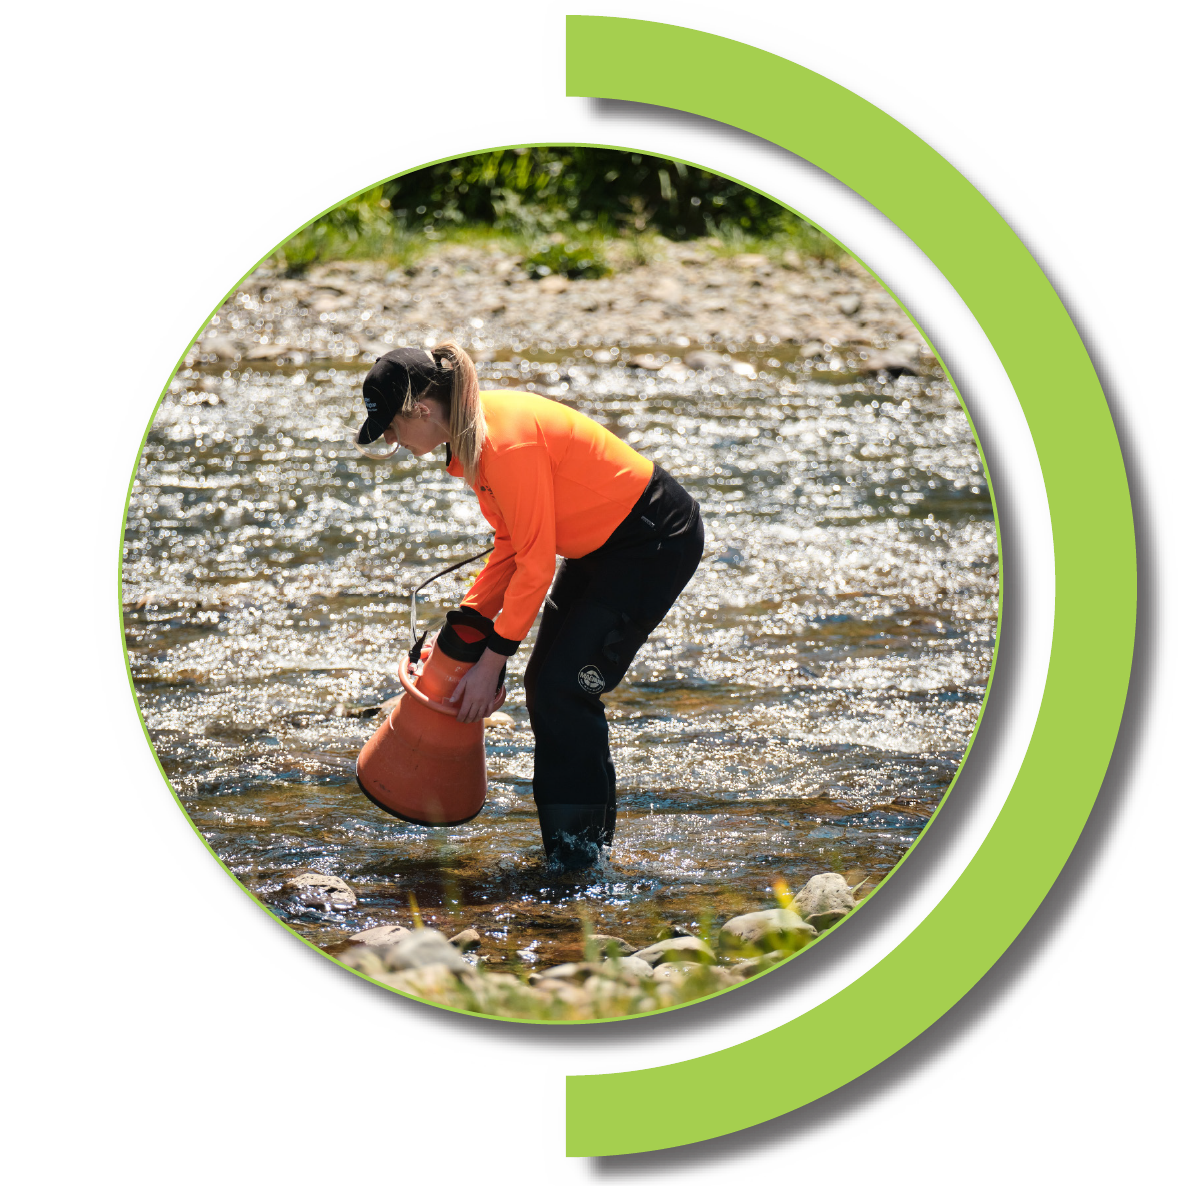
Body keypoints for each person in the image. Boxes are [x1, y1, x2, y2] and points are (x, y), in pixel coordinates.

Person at [354, 343, 703, 869]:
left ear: (420, 410)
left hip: (653, 542)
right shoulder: (472, 439)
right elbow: (512, 547)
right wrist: (461, 638)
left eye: (391, 429)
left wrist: (492, 661)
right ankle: (579, 855)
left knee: (565, 690)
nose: (392, 441)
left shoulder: (504, 443)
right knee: (547, 688)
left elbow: (536, 567)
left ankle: (579, 862)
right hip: (602, 547)